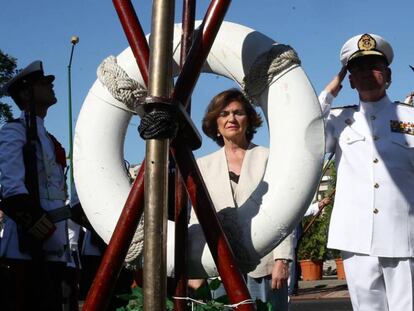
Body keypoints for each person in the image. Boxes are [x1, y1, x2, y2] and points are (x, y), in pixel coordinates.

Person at [320, 33, 414, 310]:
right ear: (348, 79)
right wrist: (329, 92)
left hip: (404, 235)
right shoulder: (337, 120)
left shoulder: (410, 117)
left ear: (388, 75)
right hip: (355, 236)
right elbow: (305, 133)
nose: (365, 74)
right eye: (356, 69)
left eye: (374, 66)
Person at [190, 89, 293, 310]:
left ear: (249, 120)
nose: (231, 119)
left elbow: (286, 209)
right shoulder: (202, 166)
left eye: (238, 113)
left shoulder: (270, 158)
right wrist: (195, 267)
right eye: (224, 113)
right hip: (218, 265)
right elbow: (195, 217)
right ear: (215, 123)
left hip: (264, 263)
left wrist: (282, 259)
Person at [0, 61, 71, 310]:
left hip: (55, 246)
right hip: (27, 248)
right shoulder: (13, 131)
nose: (51, 85)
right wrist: (41, 229)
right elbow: (12, 191)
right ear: (25, 93)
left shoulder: (49, 138)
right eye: (43, 83)